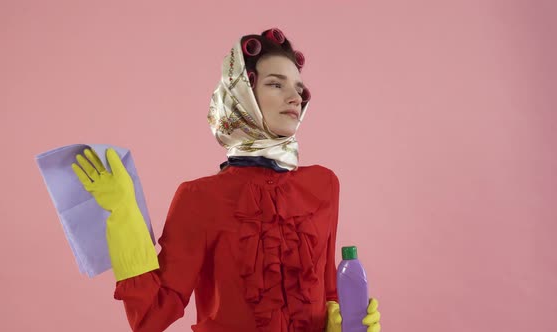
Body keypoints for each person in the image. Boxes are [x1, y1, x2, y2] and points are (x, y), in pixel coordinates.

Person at [72, 28, 382, 332]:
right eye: (276, 84)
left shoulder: (324, 185)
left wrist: (345, 322)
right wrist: (125, 214)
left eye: (299, 88)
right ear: (241, 95)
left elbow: (328, 292)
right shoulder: (199, 197)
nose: (295, 98)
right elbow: (150, 317)